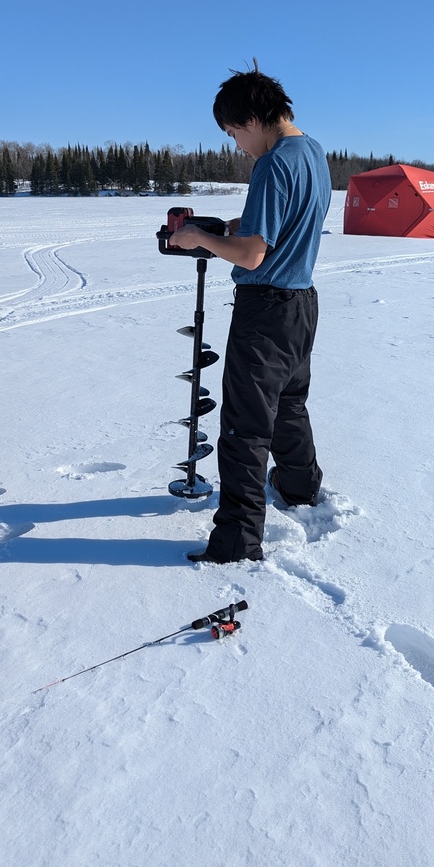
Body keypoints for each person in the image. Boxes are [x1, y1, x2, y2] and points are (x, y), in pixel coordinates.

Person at [170, 62, 331, 563]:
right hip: (302, 305)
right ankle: (301, 486)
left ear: (253, 120)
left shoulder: (274, 162)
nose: (237, 146)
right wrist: (239, 226)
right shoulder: (314, 153)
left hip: (264, 311)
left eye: (233, 134)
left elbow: (251, 254)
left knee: (245, 426)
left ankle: (237, 539)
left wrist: (198, 237)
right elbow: (282, 226)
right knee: (289, 404)